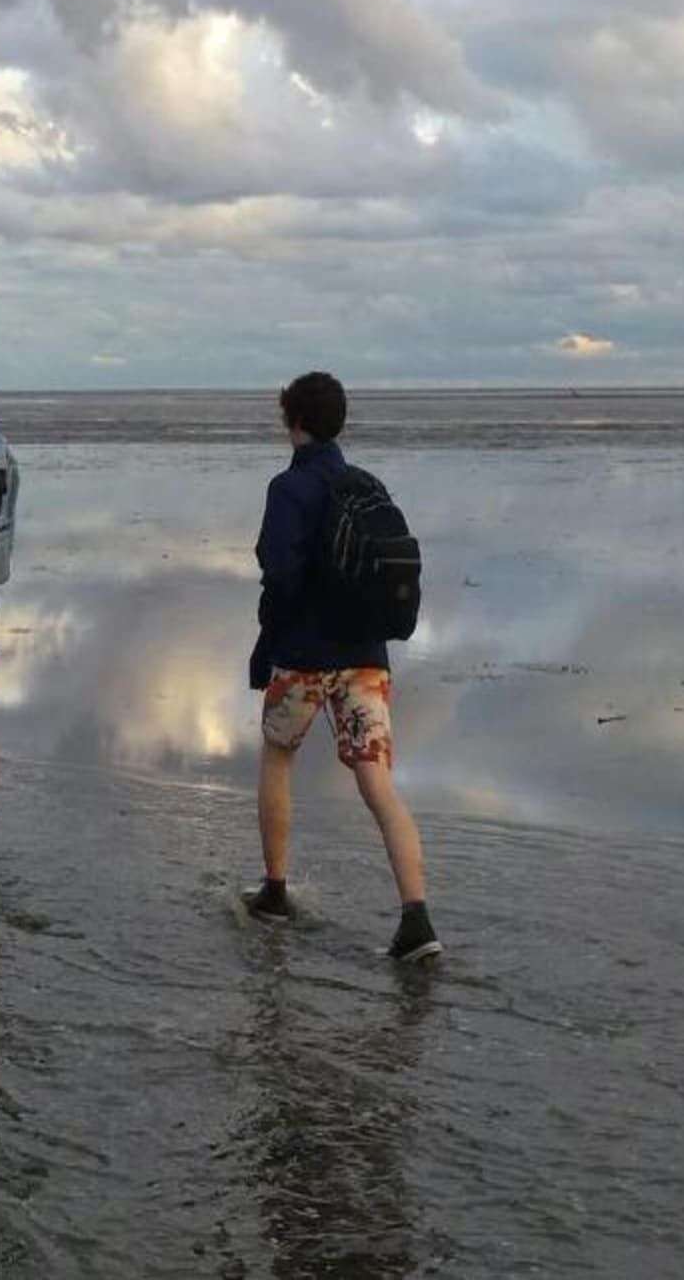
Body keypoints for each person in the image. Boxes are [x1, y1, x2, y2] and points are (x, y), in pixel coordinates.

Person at [245, 370, 442, 963]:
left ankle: (275, 891)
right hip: (365, 658)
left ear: (293, 421)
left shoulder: (289, 489)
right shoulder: (366, 484)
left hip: (303, 657)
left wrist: (267, 640)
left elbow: (280, 575)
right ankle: (417, 918)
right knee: (378, 782)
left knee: (278, 757)